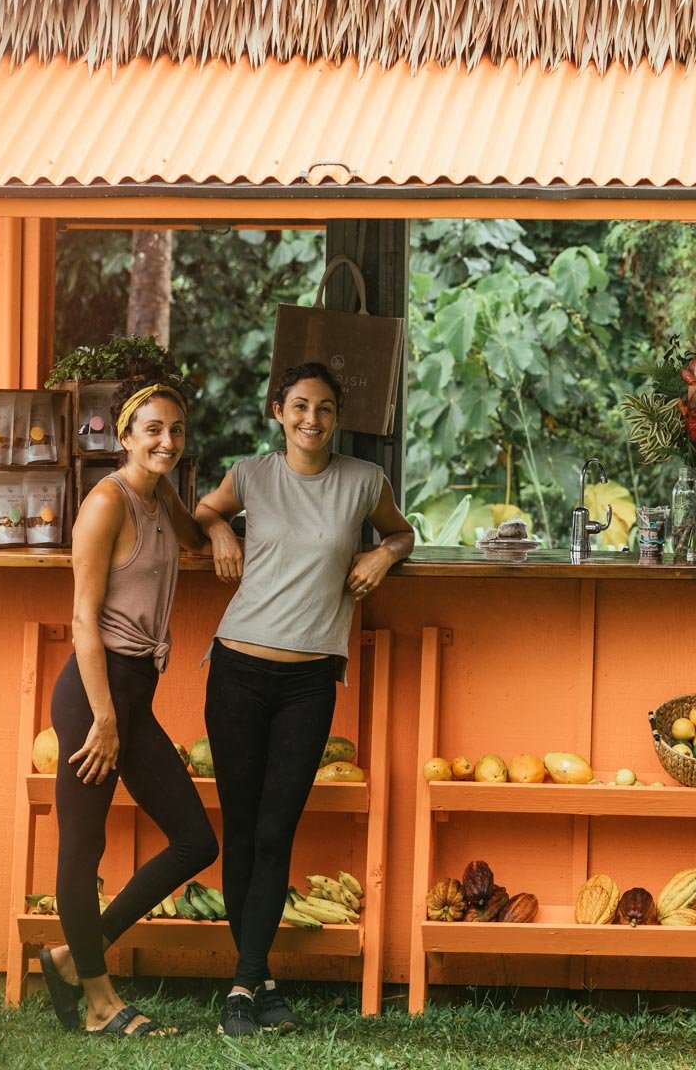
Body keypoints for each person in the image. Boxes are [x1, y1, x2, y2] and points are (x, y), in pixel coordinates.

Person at [192, 361, 414, 1037]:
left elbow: (400, 531)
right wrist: (220, 529)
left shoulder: (363, 482)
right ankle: (252, 982)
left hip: (309, 682)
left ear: (335, 416)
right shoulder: (253, 474)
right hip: (235, 669)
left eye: (323, 408)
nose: (311, 419)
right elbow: (205, 508)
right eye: (298, 407)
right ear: (276, 412)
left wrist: (384, 555)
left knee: (274, 830)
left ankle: (246, 981)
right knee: (242, 824)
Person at [40, 376, 218, 1037]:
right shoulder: (107, 504)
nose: (167, 441)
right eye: (153, 430)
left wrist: (220, 532)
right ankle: (98, 1002)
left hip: (133, 694)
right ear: (124, 436)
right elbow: (83, 620)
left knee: (196, 840)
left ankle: (66, 958)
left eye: (176, 430)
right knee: (82, 848)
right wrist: (106, 720)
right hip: (95, 696)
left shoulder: (160, 495)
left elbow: (195, 539)